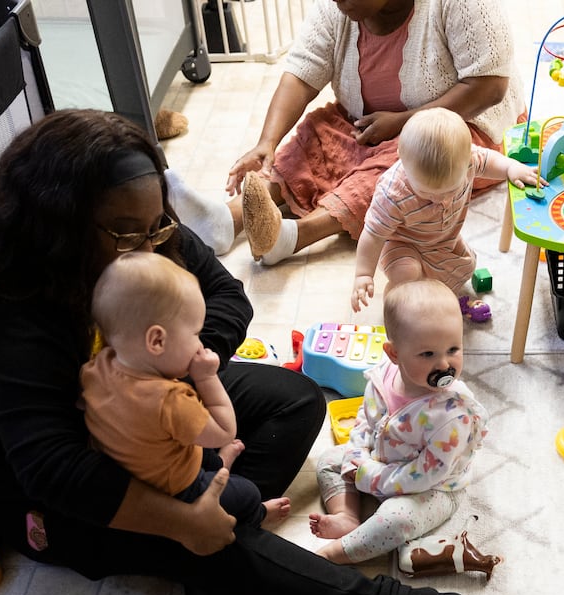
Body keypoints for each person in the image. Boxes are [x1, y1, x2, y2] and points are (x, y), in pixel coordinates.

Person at [0, 108, 470, 595]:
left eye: (156, 228)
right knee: (211, 537)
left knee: (296, 404)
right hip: (65, 490)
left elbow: (226, 296)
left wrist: (176, 374)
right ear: (59, 225)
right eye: (128, 236)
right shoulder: (7, 312)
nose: (149, 248)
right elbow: (52, 469)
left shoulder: (147, 237)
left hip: (147, 416)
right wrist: (178, 520)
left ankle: (211, 536)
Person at [223, 0, 524, 266]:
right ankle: (230, 217)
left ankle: (294, 236)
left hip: (455, 122)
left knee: (405, 168)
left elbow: (489, 86)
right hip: (364, 122)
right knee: (315, 135)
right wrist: (267, 142)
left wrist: (404, 122)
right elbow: (302, 74)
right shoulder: (337, 8)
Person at [81, 251, 289, 529]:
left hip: (133, 477)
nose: (199, 343)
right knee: (245, 492)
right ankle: (256, 516)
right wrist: (206, 378)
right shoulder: (171, 401)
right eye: (194, 334)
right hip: (176, 490)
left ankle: (220, 467)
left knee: (194, 446)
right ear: (157, 341)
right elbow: (224, 430)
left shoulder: (96, 368)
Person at [309, 279, 488, 564]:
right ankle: (346, 514)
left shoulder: (452, 415)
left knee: (396, 519)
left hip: (432, 488)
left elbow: (426, 473)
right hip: (380, 462)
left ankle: (337, 553)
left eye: (453, 349)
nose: (444, 364)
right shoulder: (382, 378)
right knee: (331, 458)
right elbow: (365, 422)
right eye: (428, 354)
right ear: (394, 354)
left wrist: (371, 477)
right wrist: (357, 457)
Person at [350, 108, 539, 313]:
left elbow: (488, 161)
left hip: (442, 238)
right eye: (426, 192)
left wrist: (511, 167)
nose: (441, 198)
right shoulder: (392, 194)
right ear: (401, 158)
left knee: (465, 266)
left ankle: (427, 288)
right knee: (407, 273)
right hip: (401, 242)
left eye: (450, 190)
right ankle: (397, 310)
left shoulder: (467, 161)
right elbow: (373, 235)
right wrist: (363, 274)